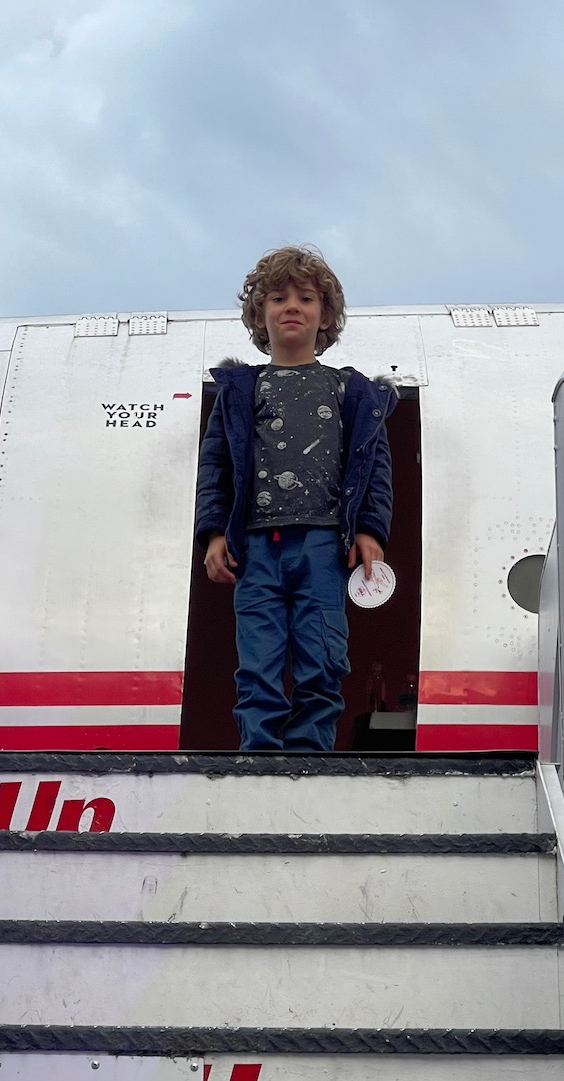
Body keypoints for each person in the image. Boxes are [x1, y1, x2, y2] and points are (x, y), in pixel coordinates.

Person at [194, 245, 395, 753]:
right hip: (257, 549)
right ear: (260, 314)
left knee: (321, 655)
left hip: (323, 548)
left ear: (323, 315)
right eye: (278, 297)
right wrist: (214, 531)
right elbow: (214, 466)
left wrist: (371, 531)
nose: (292, 306)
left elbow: (376, 468)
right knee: (257, 659)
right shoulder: (241, 391)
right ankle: (258, 753)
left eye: (305, 298)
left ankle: (311, 754)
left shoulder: (351, 391)